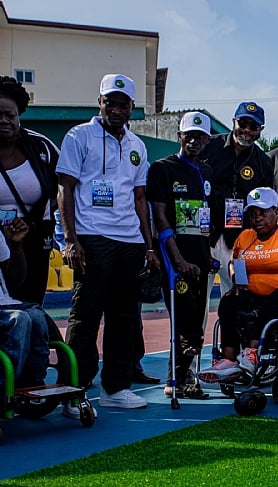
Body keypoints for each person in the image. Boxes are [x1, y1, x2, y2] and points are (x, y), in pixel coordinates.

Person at [56, 74, 154, 412]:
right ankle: (73, 389)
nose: (115, 108)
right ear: (99, 102)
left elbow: (140, 198)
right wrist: (70, 239)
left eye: (122, 103)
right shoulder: (78, 136)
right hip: (92, 237)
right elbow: (65, 188)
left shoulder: (137, 146)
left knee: (124, 318)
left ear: (131, 108)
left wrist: (149, 245)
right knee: (85, 316)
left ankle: (116, 388)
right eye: (109, 101)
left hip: (130, 242)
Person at [197, 187, 278, 383]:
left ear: (275, 212)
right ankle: (228, 360)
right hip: (253, 292)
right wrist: (236, 280)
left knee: (276, 299)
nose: (257, 218)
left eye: (263, 212)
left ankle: (251, 352)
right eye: (253, 214)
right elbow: (234, 263)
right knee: (229, 301)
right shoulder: (244, 237)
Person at [147, 112, 214, 399]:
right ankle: (175, 379)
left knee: (197, 322)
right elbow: (160, 219)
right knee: (183, 317)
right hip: (175, 261)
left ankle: (186, 378)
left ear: (207, 139)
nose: (194, 140)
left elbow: (207, 219)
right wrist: (177, 260)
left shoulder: (208, 171)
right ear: (179, 135)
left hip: (200, 259)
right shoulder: (162, 168)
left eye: (200, 136)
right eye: (190, 134)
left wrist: (208, 255)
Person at [201, 101, 273, 301]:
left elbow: (265, 206)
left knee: (237, 298)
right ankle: (194, 335)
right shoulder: (209, 146)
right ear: (233, 122)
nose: (247, 130)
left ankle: (231, 334)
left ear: (260, 131)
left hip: (240, 242)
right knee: (197, 299)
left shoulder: (264, 162)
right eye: (243, 123)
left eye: (253, 127)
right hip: (206, 235)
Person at [0, 75, 59, 304]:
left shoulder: (41, 146)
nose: (4, 120)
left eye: (10, 115)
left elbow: (63, 191)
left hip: (35, 235)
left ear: (19, 116)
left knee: (32, 305)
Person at [0, 217, 49, 389]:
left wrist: (16, 245)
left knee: (37, 315)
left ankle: (32, 384)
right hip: (8, 310)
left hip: (5, 302)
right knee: (19, 319)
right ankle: (5, 387)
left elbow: (15, 280)